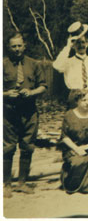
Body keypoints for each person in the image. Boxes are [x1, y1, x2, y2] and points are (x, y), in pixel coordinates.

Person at [3, 33, 47, 197]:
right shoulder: (3, 64)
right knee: (8, 148)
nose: (17, 49)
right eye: (13, 46)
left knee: (27, 146)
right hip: (9, 112)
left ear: (24, 45)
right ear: (9, 47)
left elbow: (43, 86)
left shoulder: (34, 64)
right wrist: (6, 94)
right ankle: (6, 185)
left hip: (29, 111)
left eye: (19, 46)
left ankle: (22, 183)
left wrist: (31, 91)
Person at [59, 89, 88, 194]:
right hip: (73, 147)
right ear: (77, 101)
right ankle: (71, 181)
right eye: (83, 100)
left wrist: (87, 146)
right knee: (77, 163)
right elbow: (64, 136)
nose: (87, 103)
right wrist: (76, 149)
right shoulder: (69, 115)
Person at [53, 21, 88, 113]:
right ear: (74, 45)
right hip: (75, 97)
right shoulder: (68, 62)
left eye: (83, 42)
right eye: (77, 43)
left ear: (87, 43)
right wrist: (68, 46)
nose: (81, 45)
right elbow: (57, 66)